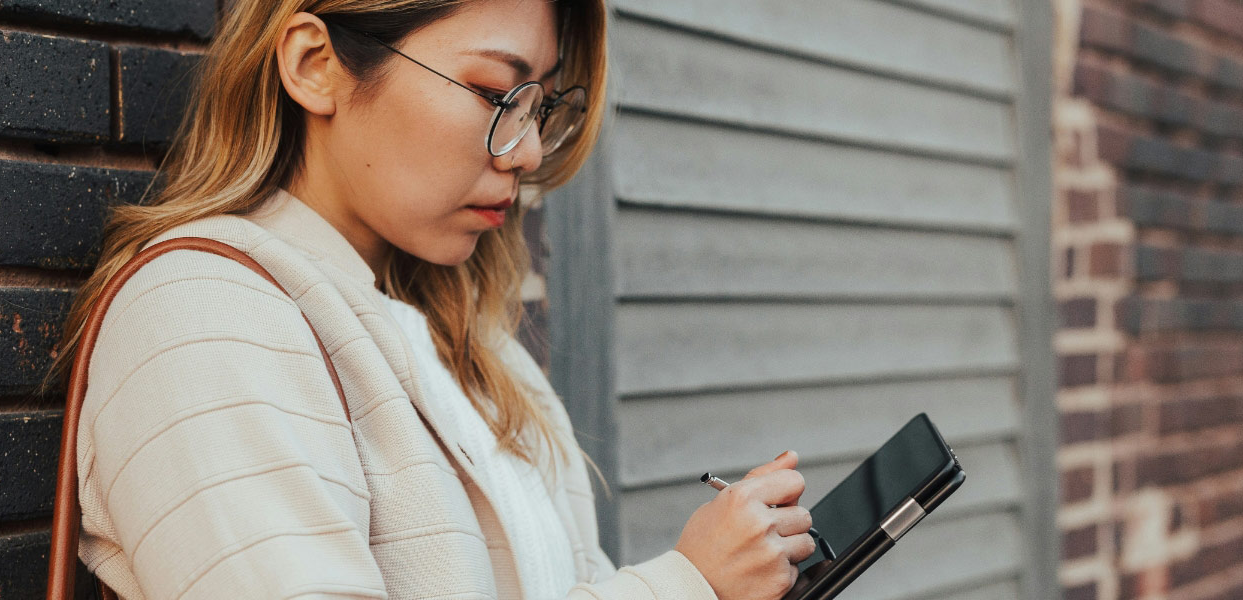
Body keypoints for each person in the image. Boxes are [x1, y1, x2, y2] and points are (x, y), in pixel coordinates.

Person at [40, 0, 815, 598]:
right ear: (316, 65)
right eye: (493, 92)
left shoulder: (475, 351)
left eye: (539, 105)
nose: (533, 149)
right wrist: (687, 582)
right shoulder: (202, 315)